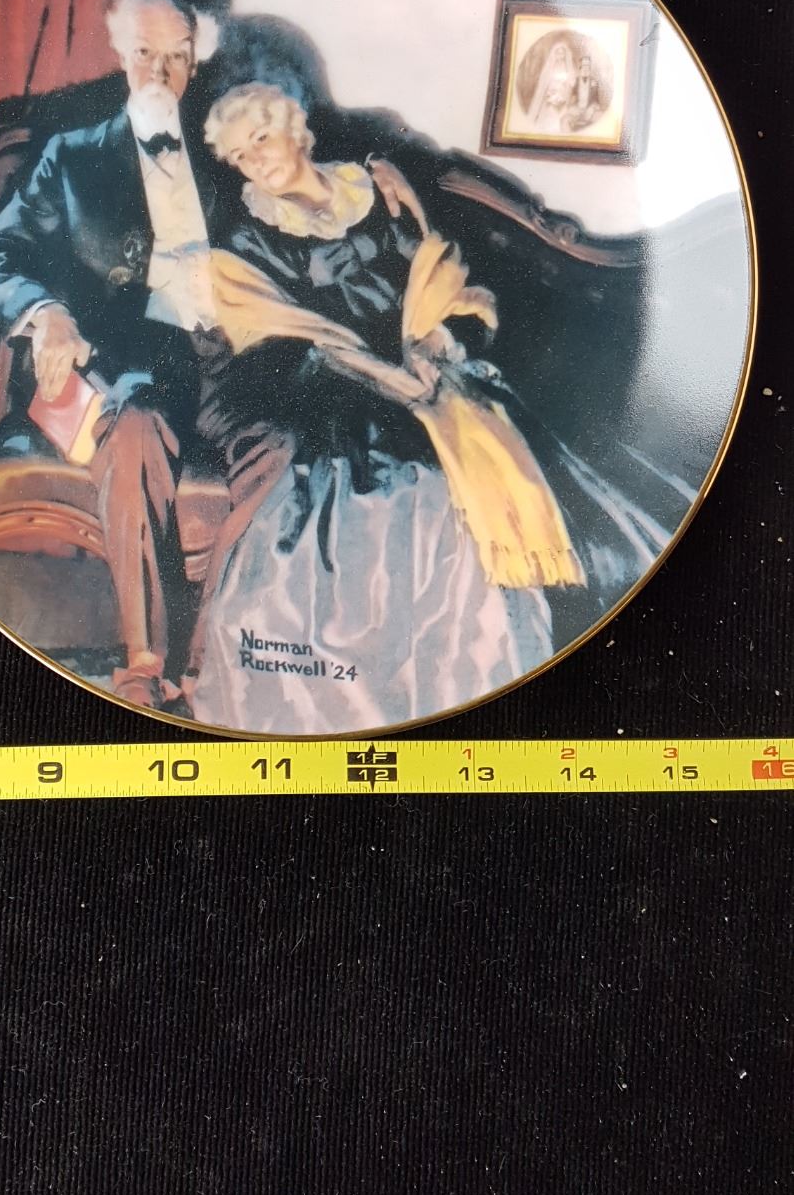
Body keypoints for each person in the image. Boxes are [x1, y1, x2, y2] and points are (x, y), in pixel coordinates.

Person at [0, 0, 424, 710]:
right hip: (131, 359)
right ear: (118, 45)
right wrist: (46, 313)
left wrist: (382, 164)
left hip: (233, 360)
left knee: (284, 448)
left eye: (176, 55)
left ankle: (206, 656)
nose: (160, 72)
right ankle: (143, 661)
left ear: (196, 53)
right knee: (133, 428)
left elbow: (324, 135)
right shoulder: (69, 155)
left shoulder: (223, 138)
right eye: (144, 53)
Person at [184, 81, 681, 734]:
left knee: (515, 466)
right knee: (403, 501)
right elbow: (278, 335)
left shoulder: (378, 188)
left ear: (294, 130)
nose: (258, 159)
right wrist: (380, 377)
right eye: (241, 155)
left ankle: (492, 678)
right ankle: (379, 693)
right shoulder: (244, 242)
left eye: (262, 138)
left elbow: (443, 273)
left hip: (434, 368)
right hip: (341, 390)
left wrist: (440, 339)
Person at [515, 29, 614, 136]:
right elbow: (545, 85)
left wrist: (566, 95)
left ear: (565, 54)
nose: (560, 55)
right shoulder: (550, 69)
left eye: (562, 52)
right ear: (554, 54)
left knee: (564, 118)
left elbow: (572, 86)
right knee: (549, 120)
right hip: (551, 98)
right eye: (558, 53)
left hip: (565, 98)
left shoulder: (569, 68)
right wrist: (551, 95)